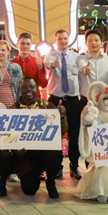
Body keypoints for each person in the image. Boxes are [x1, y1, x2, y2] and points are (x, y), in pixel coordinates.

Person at [10, 77, 67, 199]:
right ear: (20, 89)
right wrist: (16, 150)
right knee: (29, 190)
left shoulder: (48, 106)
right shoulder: (13, 109)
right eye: (25, 87)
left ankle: (50, 181)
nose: (28, 90)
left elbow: (61, 132)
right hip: (25, 155)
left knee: (55, 154)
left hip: (44, 152)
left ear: (37, 89)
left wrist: (61, 117)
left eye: (32, 87)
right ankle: (31, 176)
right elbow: (9, 136)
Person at [44, 29, 81, 179]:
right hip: (55, 99)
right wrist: (53, 65)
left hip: (72, 100)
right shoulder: (50, 55)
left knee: (74, 134)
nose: (63, 41)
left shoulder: (76, 57)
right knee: (54, 135)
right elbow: (48, 65)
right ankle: (56, 167)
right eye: (60, 39)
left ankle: (74, 165)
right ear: (55, 40)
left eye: (65, 38)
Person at [76, 30, 108, 100]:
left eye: (96, 40)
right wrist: (84, 69)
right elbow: (81, 66)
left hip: (105, 98)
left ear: (101, 43)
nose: (93, 43)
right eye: (90, 41)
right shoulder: (80, 58)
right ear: (86, 43)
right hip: (86, 99)